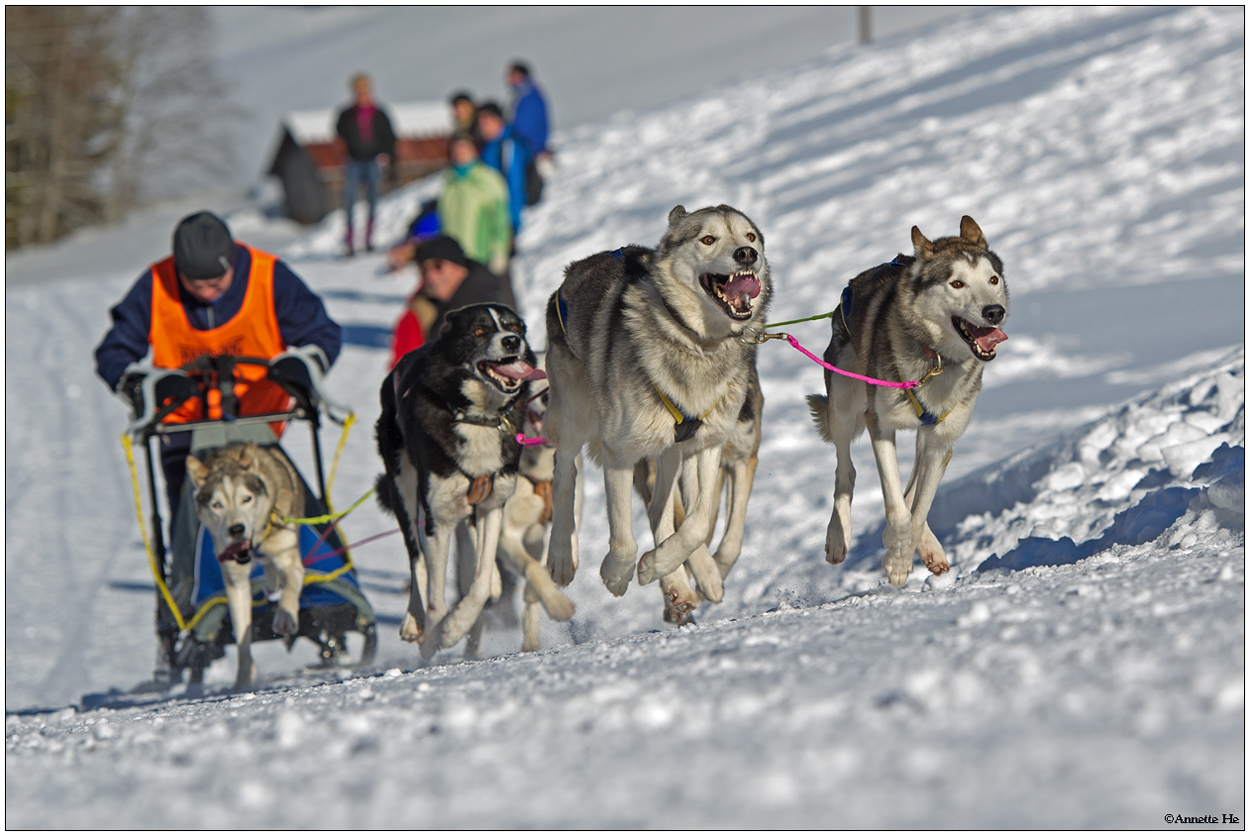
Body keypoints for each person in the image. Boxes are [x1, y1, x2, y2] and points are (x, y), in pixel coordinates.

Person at [95, 210, 342, 685]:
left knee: (294, 513)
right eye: (195, 284)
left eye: (217, 281)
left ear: (234, 262)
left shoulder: (269, 276)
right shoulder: (156, 285)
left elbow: (321, 333)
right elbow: (114, 351)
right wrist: (139, 384)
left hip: (259, 429)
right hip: (186, 433)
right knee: (191, 530)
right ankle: (191, 615)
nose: (207, 291)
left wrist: (303, 364)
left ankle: (329, 600)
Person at [388, 234, 516, 368]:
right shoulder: (433, 302)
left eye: (438, 266)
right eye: (426, 269)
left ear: (459, 268)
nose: (430, 275)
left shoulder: (479, 314)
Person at [336, 72, 397, 255]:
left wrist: (388, 157)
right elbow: (339, 136)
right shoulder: (347, 115)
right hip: (354, 161)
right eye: (358, 90)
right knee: (350, 201)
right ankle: (349, 242)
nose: (362, 94)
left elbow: (389, 137)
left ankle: (369, 239)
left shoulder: (379, 114)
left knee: (372, 200)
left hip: (372, 161)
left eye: (365, 90)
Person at [437, 132, 512, 278]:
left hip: (480, 256)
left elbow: (499, 218)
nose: (460, 153)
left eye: (464, 148)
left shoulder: (488, 179)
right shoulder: (449, 181)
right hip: (453, 260)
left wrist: (499, 251)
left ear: (474, 151)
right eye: (456, 149)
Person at [476, 101, 532, 235]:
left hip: (506, 217)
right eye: (480, 122)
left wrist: (512, 224)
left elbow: (515, 185)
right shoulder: (488, 147)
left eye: (486, 120)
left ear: (498, 119)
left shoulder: (509, 145)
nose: (483, 126)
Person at [506, 61, 550, 160]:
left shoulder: (527, 94)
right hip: (529, 146)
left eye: (511, 75)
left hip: (529, 147)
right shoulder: (524, 92)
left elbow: (527, 122)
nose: (508, 78)